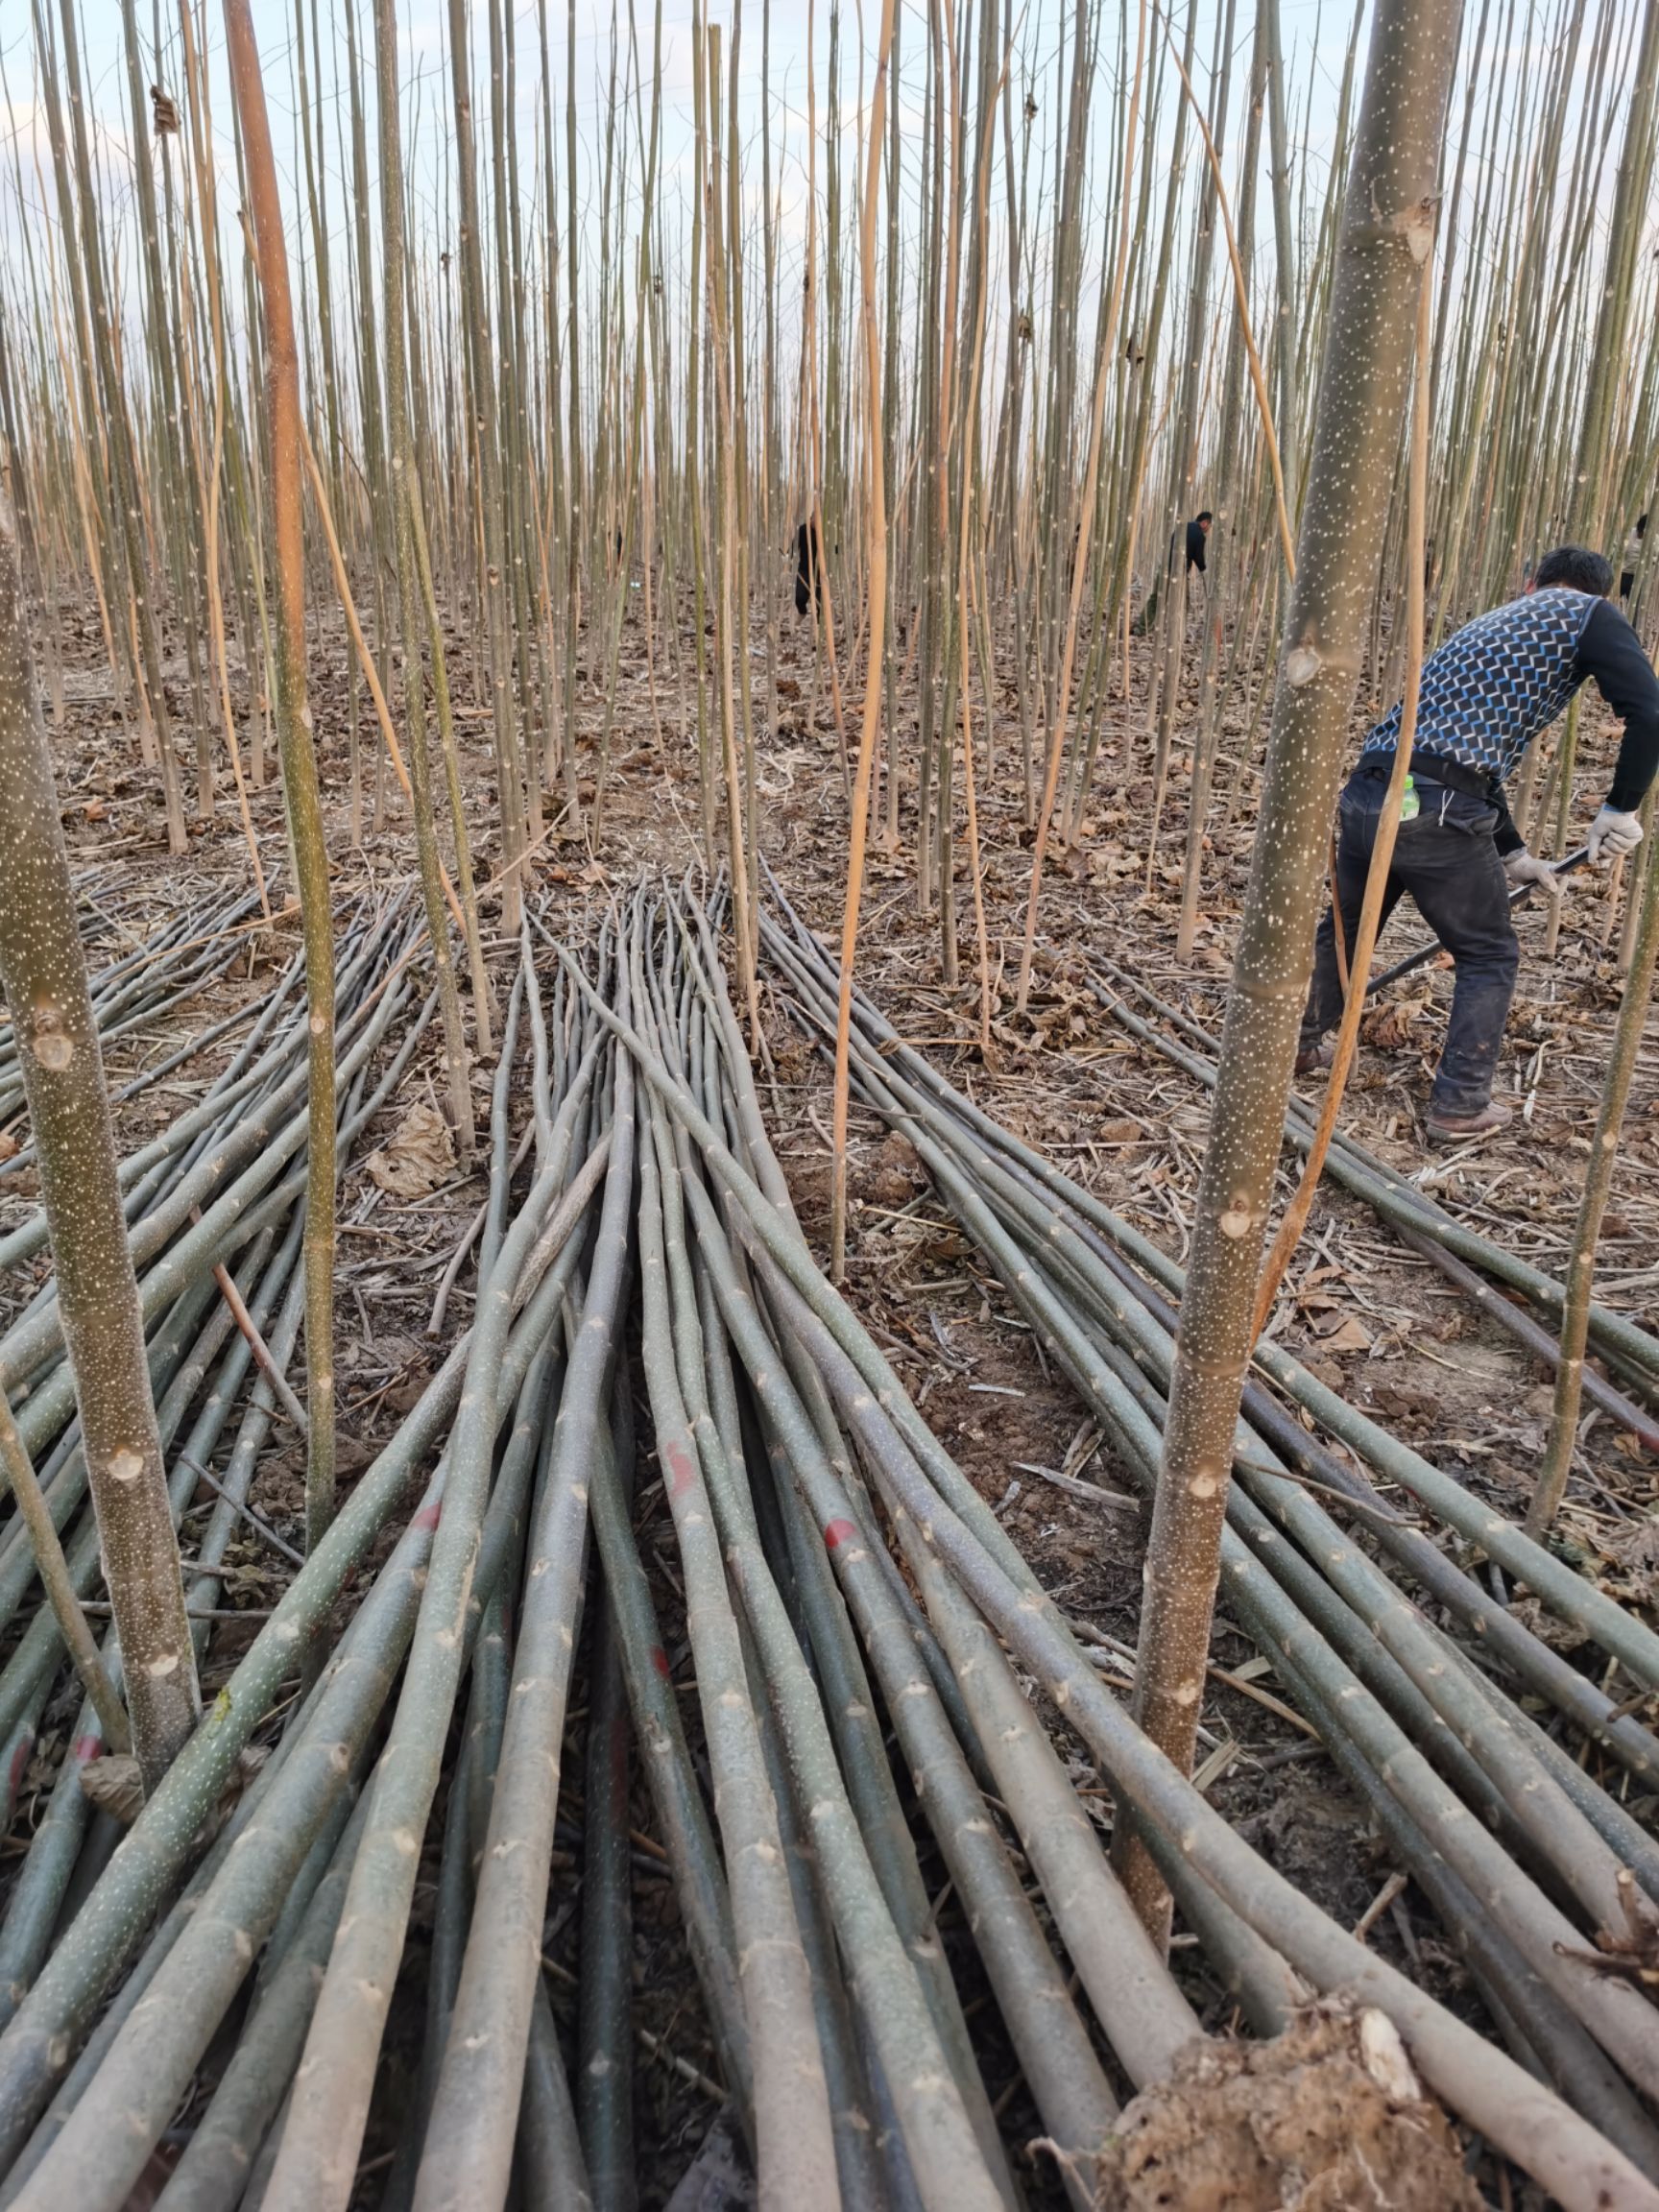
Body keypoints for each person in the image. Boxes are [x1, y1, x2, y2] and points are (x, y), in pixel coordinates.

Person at [1296, 544, 1659, 1140]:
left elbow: (1455, 758)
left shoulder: (1490, 625)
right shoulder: (1586, 612)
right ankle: (1459, 1105)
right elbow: (1649, 712)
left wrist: (1514, 855)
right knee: (1489, 954)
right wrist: (1621, 806)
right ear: (1597, 594)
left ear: (1528, 583)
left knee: (1348, 929)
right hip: (1436, 805)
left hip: (1369, 790)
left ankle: (1299, 1045)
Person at [1621, 513, 1647, 600]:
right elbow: (1620, 550)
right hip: (1623, 573)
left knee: (1633, 605)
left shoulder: (1654, 540)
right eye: (1639, 532)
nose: (1640, 535)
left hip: (1638, 577)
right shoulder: (1630, 533)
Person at [1185, 511, 1213, 575]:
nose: (1209, 529)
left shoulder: (1187, 525)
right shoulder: (1200, 535)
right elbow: (1198, 556)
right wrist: (1203, 569)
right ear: (1204, 523)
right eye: (1209, 526)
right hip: (1182, 565)